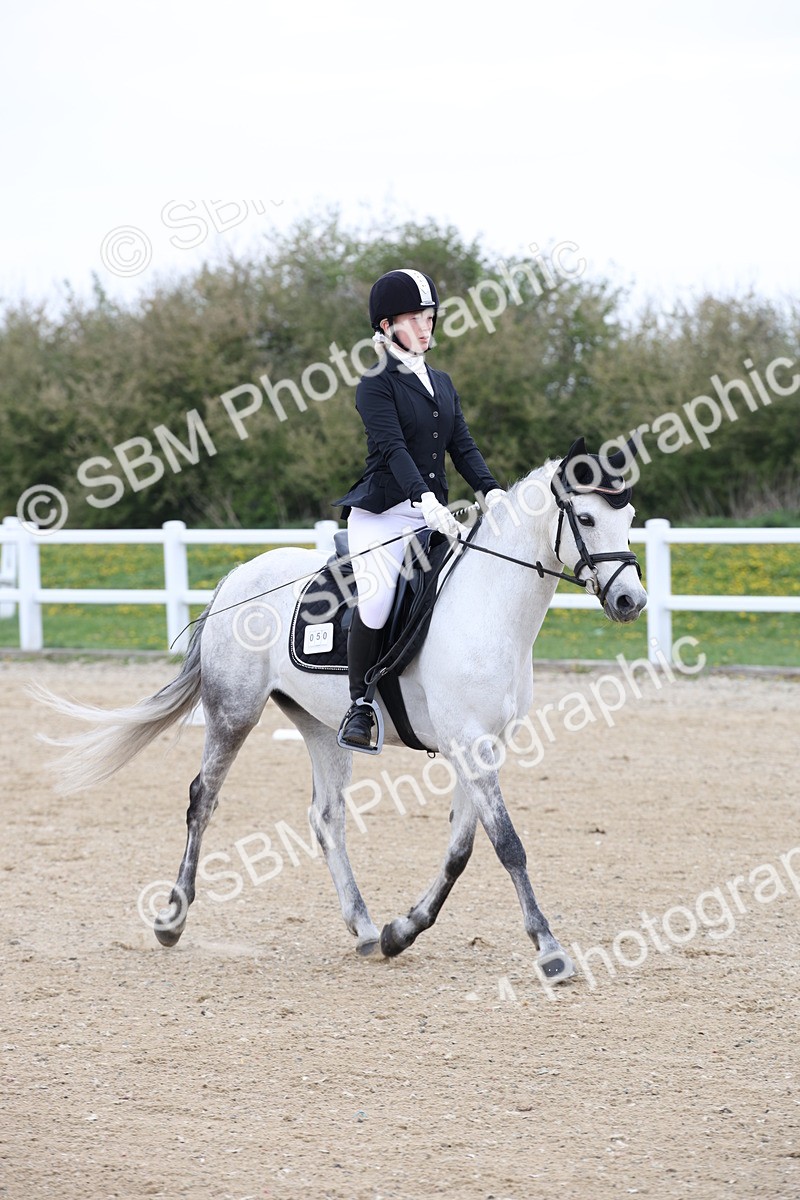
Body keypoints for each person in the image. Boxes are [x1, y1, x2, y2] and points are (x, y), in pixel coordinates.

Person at [333, 268, 505, 751]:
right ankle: (360, 705)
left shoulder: (442, 383)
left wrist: (492, 491)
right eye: (413, 319)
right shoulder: (375, 384)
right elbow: (393, 449)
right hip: (384, 514)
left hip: (434, 514)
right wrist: (424, 499)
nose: (425, 327)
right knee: (377, 598)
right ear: (386, 326)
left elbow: (462, 446)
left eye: (429, 317)